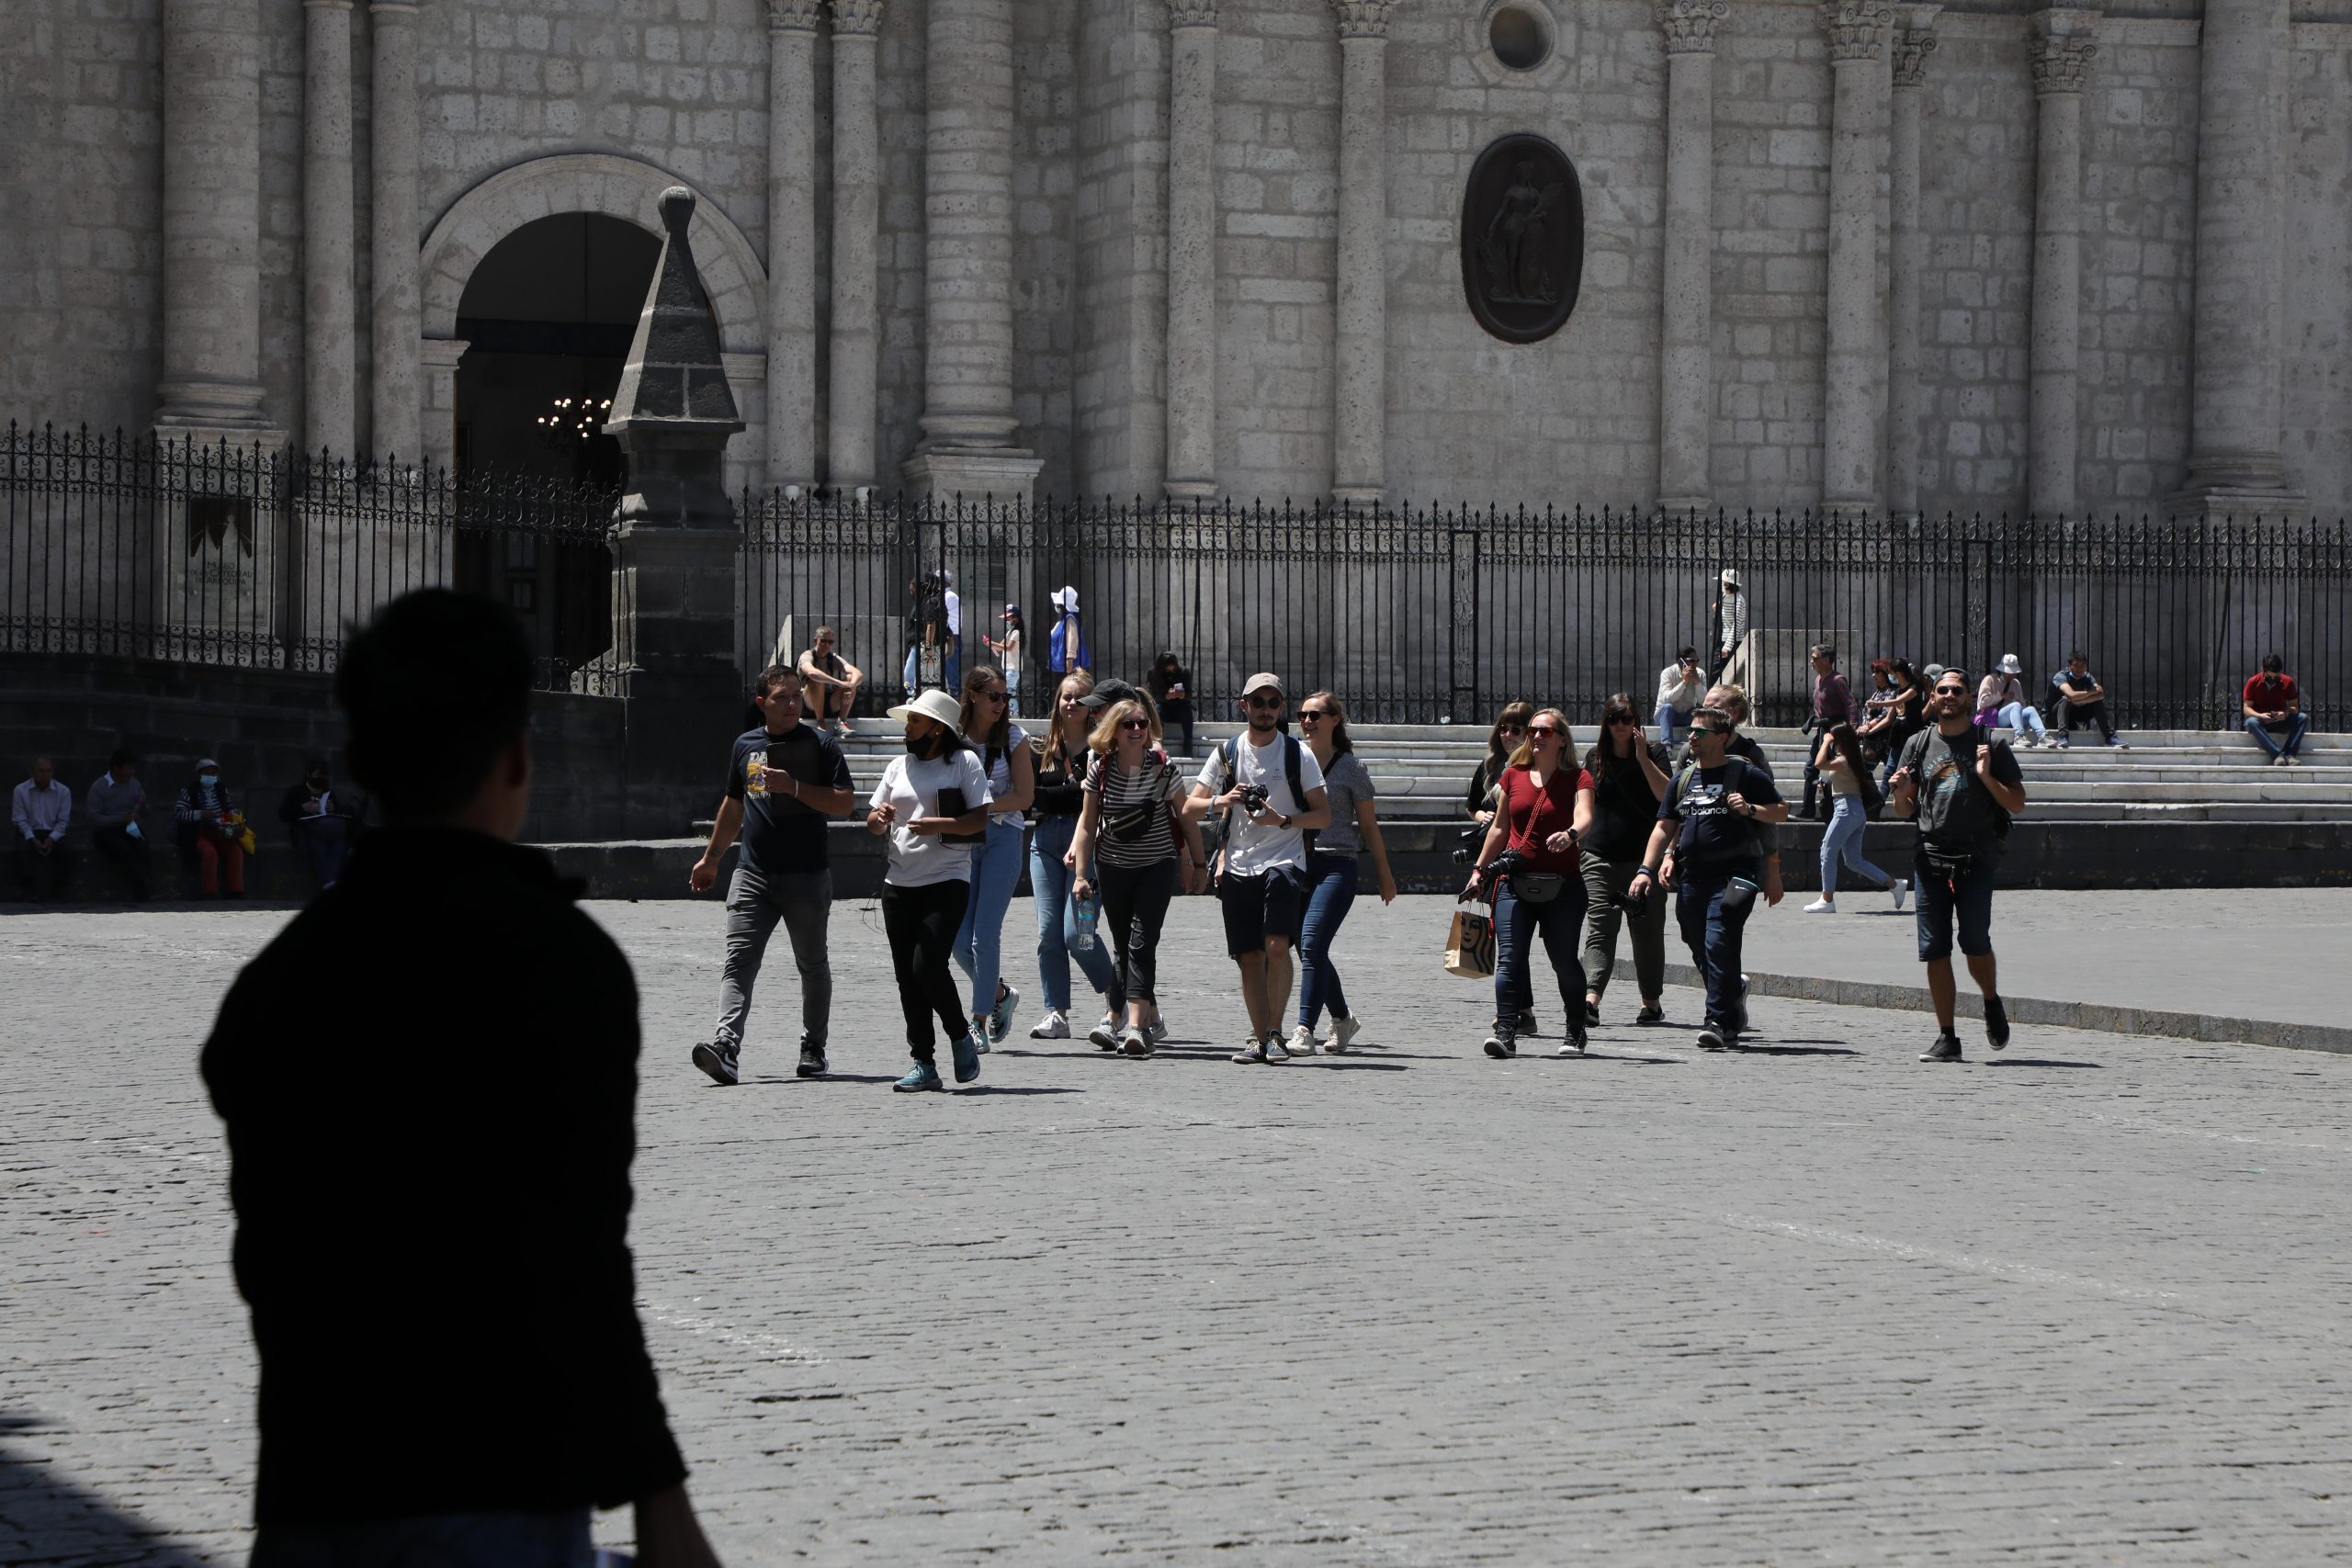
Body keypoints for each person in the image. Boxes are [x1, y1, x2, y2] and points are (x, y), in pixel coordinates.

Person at [199, 589, 723, 1568]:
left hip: (315, 1498)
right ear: (519, 757)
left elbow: (265, 1267)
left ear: (358, 766)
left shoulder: (271, 992)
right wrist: (661, 1504)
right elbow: (579, 1261)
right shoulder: (562, 965)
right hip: (502, 1490)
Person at [688, 664, 856, 1085]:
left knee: (812, 965)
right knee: (738, 962)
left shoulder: (820, 744)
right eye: (782, 697)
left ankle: (814, 1047)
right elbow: (734, 805)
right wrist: (711, 859)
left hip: (807, 876)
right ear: (761, 703)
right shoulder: (745, 745)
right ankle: (726, 1046)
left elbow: (844, 804)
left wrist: (794, 787)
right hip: (753, 874)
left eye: (797, 696)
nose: (791, 704)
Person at [1185, 672, 1330, 1064]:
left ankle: (1275, 1033)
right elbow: (1189, 807)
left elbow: (1322, 816)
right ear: (1244, 705)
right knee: (1249, 955)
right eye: (1258, 702)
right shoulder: (1227, 753)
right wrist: (1224, 799)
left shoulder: (1297, 754)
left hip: (1284, 859)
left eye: (1273, 703)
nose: (1266, 710)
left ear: (1280, 708)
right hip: (1238, 864)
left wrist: (1281, 820)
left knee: (1277, 945)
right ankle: (1257, 1036)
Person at [1633, 704, 1787, 1051]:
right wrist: (1649, 867)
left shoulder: (1745, 774)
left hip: (1737, 873)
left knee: (1721, 935)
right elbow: (1664, 825)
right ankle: (1731, 994)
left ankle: (1716, 1020)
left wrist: (1749, 809)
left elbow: (1781, 812)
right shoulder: (1684, 778)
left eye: (1699, 733)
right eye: (1690, 731)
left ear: (1721, 738)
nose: (1691, 737)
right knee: (1695, 938)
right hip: (1693, 875)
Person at [1892, 666, 2028, 1061]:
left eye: (1957, 690)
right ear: (1932, 698)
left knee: (1974, 942)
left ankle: (1989, 999)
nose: (1949, 695)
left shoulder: (1990, 745)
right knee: (1934, 948)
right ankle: (1947, 1036)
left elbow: (2017, 803)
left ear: (1970, 698)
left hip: (1976, 858)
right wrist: (1900, 792)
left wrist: (1985, 776)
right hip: (1930, 857)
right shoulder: (1917, 745)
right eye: (1942, 690)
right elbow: (1904, 809)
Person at [866, 688, 993, 1091]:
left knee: (927, 966)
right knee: (907, 977)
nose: (908, 728)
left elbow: (979, 821)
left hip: (947, 880)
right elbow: (872, 819)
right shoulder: (897, 766)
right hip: (898, 884)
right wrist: (879, 816)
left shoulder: (964, 763)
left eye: (916, 721)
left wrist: (940, 825)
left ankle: (959, 1036)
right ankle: (923, 1061)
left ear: (937, 730)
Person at [1068, 692, 1206, 1057]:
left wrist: (1197, 862)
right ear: (1113, 730)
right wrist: (1082, 875)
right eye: (1128, 724)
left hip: (1156, 865)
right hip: (1112, 866)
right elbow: (1087, 823)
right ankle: (1127, 1018)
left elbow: (1185, 819)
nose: (1136, 730)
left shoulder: (1162, 767)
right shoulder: (1101, 768)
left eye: (1142, 724)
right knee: (1122, 942)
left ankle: (1131, 1025)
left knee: (1141, 942)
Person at [1462, 708, 1594, 1059]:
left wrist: (1571, 834)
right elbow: (1500, 828)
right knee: (1509, 959)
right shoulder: (1513, 776)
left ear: (1562, 739)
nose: (1537, 737)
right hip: (1512, 882)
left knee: (1564, 960)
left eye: (1546, 732)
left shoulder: (1578, 777)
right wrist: (1479, 870)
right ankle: (1507, 1031)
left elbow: (1585, 816)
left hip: (1563, 885)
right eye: (1534, 731)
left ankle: (1575, 1029)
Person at [1289, 691, 1397, 1055]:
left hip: (1337, 863)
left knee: (1312, 943)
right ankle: (1343, 1018)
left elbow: (1369, 826)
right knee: (1309, 950)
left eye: (1316, 715)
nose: (1307, 721)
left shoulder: (1351, 767)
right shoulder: (1293, 760)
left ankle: (1304, 1027)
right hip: (1297, 862)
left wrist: (1384, 873)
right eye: (1303, 714)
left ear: (1336, 720)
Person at [1024, 670, 1119, 1041]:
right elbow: (1035, 798)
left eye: (1080, 698)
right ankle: (1056, 1013)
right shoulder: (1040, 748)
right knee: (1048, 932)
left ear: (1092, 706)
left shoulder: (1102, 749)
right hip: (1045, 841)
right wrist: (1073, 789)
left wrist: (1064, 794)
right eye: (1066, 696)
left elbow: (1097, 802)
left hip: (1088, 844)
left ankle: (1119, 993)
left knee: (1076, 932)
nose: (1071, 703)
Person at [950, 665, 1034, 1057]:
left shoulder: (1014, 737)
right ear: (972, 696)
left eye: (1005, 698)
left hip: (1003, 836)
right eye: (994, 696)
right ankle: (1001, 993)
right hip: (965, 840)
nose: (1001, 704)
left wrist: (979, 807)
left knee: (985, 935)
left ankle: (979, 1020)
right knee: (958, 941)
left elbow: (1023, 797)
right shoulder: (953, 736)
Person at [1578, 694, 1670, 1028]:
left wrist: (1643, 757)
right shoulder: (1595, 757)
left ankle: (1651, 1002)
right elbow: (1584, 804)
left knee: (1646, 933)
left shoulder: (1656, 752)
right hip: (1599, 856)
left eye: (1627, 719)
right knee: (1600, 928)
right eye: (1614, 719)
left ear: (1637, 722)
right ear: (1606, 722)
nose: (1620, 726)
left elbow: (1666, 796)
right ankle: (1590, 1000)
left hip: (1644, 860)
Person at [1802, 722, 1908, 915]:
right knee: (1853, 860)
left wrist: (1825, 741)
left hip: (1847, 809)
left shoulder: (1844, 759)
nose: (1831, 741)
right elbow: (1838, 778)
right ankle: (1894, 884)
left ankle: (1827, 899)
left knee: (1827, 849)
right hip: (1853, 809)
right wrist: (1825, 783)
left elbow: (1818, 763)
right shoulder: (1849, 758)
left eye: (1834, 739)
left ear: (1840, 740)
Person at [1798, 643, 1859, 820]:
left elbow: (1851, 704)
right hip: (1822, 730)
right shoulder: (1818, 680)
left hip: (1837, 731)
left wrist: (1852, 729)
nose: (1811, 661)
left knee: (1841, 769)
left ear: (1826, 660)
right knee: (1810, 769)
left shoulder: (1837, 680)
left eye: (1815, 658)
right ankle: (1807, 810)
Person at [277, 759, 358, 892]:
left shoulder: (328, 793)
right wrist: (302, 808)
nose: (320, 778)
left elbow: (341, 813)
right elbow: (283, 814)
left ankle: (330, 881)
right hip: (306, 831)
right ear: (309, 775)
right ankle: (328, 881)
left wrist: (334, 808)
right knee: (317, 844)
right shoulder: (296, 792)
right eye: (317, 775)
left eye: (323, 776)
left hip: (329, 830)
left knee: (339, 845)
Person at [175, 758, 246, 898]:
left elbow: (230, 808)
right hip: (198, 831)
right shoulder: (189, 791)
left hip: (220, 831)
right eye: (207, 773)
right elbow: (179, 814)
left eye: (213, 774)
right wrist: (201, 814)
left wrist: (230, 819)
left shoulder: (221, 788)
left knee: (236, 851)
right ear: (199, 774)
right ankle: (209, 891)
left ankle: (236, 890)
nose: (211, 777)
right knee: (209, 852)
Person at [85, 749, 151, 900]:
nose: (132, 772)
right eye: (128, 768)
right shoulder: (99, 787)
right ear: (116, 768)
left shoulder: (134, 784)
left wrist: (143, 806)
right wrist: (120, 819)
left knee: (142, 846)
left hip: (129, 826)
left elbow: (145, 812)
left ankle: (144, 883)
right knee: (121, 849)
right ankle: (139, 887)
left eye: (133, 768)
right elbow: (94, 818)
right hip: (106, 830)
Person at [12, 756, 74, 900]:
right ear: (32, 772)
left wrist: (52, 838)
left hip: (53, 831)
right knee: (21, 852)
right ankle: (29, 890)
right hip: (29, 831)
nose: (45, 775)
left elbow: (63, 820)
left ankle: (58, 889)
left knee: (70, 853)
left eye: (48, 771)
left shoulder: (63, 791)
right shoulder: (20, 791)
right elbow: (20, 820)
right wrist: (32, 839)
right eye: (41, 771)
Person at [1464, 701, 1534, 829]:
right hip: (1493, 840)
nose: (1508, 735)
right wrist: (1483, 818)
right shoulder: (1489, 765)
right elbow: (1472, 807)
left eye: (1516, 730)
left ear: (1529, 732)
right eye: (1503, 729)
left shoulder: (1539, 766)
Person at [2242, 652, 2307, 766]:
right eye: (2269, 676)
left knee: (2302, 718)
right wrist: (2260, 715)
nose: (2272, 678)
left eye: (2275, 676)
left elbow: (2295, 707)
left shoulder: (2288, 682)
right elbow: (2247, 709)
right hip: (2261, 721)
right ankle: (2277, 755)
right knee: (2251, 722)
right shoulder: (2253, 682)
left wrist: (2285, 713)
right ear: (2263, 669)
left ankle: (2289, 754)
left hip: (2280, 720)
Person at [796, 626, 863, 737]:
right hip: (808, 703)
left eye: (830, 642)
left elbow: (858, 673)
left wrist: (851, 687)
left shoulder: (832, 657)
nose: (826, 645)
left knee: (851, 679)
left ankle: (841, 723)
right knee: (817, 679)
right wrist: (838, 682)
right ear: (815, 640)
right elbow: (811, 672)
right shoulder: (807, 655)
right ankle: (820, 723)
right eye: (823, 641)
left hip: (829, 702)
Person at [2052, 651, 2126, 749]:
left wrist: (2079, 701)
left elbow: (2100, 695)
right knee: (2066, 700)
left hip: (2074, 714)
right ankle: (2063, 736)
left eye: (2083, 665)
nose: (2080, 668)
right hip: (2054, 716)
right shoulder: (2061, 676)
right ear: (2069, 666)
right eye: (2076, 665)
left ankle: (2110, 736)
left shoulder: (2087, 677)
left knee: (2097, 702)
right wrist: (2091, 692)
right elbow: (2071, 695)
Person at [1977, 654, 2052, 748]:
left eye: (2013, 672)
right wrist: (2002, 696)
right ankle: (2019, 736)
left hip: (2014, 720)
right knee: (2015, 705)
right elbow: (1982, 702)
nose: (2012, 674)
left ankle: (2043, 736)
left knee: (2031, 709)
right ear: (2002, 670)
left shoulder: (2016, 683)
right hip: (1995, 717)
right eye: (2009, 672)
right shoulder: (1990, 680)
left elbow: (2022, 705)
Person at [900, 575, 946, 696]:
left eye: (912, 590)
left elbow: (931, 625)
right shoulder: (925, 602)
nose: (911, 593)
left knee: (916, 676)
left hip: (923, 646)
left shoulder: (930, 602)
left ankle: (915, 696)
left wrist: (928, 647)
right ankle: (915, 695)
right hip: (920, 646)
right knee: (922, 675)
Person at [1654, 648, 1705, 749]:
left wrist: (1697, 683)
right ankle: (1667, 746)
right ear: (1681, 661)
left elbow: (1703, 701)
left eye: (1697, 661)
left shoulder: (1700, 674)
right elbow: (1666, 699)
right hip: (1666, 715)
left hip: (1686, 715)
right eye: (1692, 661)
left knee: (1701, 711)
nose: (1695, 664)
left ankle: (1698, 745)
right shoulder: (1668, 673)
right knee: (1668, 707)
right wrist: (1684, 683)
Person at [1148, 651, 1196, 756]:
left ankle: (1188, 743)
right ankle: (1158, 742)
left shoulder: (1183, 672)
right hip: (1164, 707)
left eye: (1173, 669)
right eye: (1168, 670)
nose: (1171, 671)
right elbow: (1152, 697)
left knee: (1186, 708)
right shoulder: (1154, 674)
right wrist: (1167, 696)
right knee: (1158, 709)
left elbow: (1189, 694)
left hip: (1180, 708)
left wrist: (1182, 695)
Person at [985, 605, 1026, 716]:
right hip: (1007, 667)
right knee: (1009, 691)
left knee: (1008, 691)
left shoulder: (1017, 632)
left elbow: (1009, 647)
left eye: (1009, 618)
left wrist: (992, 643)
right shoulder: (1010, 632)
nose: (1007, 620)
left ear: (1016, 618)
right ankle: (1012, 713)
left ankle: (1014, 714)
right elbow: (1000, 646)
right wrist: (990, 643)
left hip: (1014, 668)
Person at [1712, 567, 1747, 684]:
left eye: (1725, 583)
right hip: (1721, 639)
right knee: (1716, 672)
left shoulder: (1739, 600)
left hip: (1733, 642)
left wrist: (1727, 646)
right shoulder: (1724, 596)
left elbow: (1736, 624)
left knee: (1731, 673)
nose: (1723, 585)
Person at [1046, 585, 1090, 675]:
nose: (1056, 606)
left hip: (1067, 666)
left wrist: (1070, 659)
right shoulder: (1062, 621)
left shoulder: (1069, 619)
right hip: (1059, 666)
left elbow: (1072, 638)